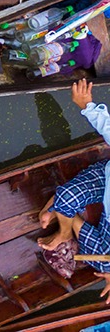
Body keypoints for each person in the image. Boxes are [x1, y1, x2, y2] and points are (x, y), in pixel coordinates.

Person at [37, 79, 110, 302]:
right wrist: (87, 105)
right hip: (105, 178)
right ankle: (65, 229)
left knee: (102, 263)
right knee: (66, 198)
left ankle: (66, 216)